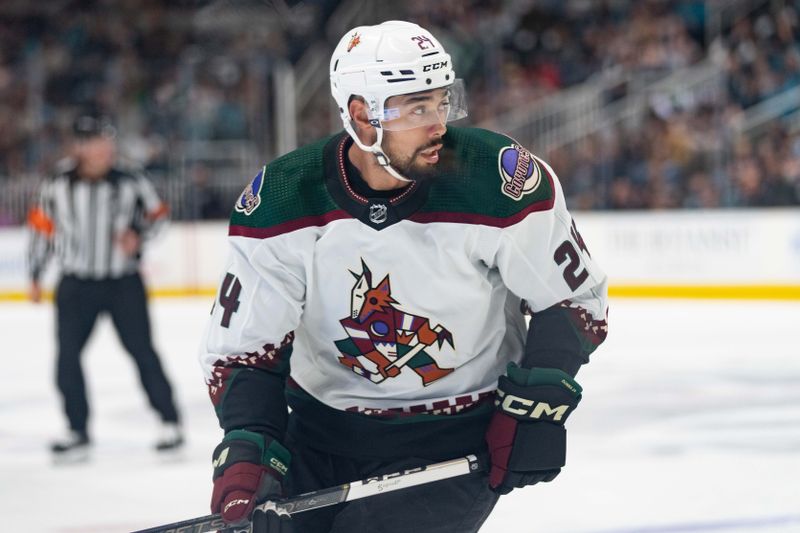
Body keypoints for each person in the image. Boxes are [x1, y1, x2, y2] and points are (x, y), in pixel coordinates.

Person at [200, 21, 608, 533]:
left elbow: (574, 299)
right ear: (362, 116)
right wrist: (249, 446)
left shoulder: (498, 181)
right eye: (416, 108)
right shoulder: (283, 199)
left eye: (442, 101)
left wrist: (538, 400)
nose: (438, 123)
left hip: (453, 441)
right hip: (319, 437)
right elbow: (244, 349)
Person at [27, 111, 184, 461]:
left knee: (142, 351)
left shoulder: (129, 179)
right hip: (75, 283)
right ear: (80, 146)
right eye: (97, 141)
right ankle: (77, 429)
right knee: (67, 357)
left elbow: (159, 215)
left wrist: (138, 237)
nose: (105, 148)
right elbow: (41, 228)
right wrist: (35, 273)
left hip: (122, 282)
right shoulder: (57, 183)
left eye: (107, 140)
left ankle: (169, 421)